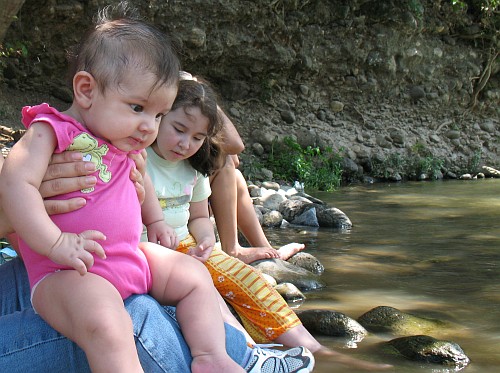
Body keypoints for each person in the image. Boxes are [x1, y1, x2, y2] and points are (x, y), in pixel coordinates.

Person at [0, 7, 242, 373]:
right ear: (86, 90)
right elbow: (16, 182)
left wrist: (156, 219)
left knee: (193, 276)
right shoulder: (51, 130)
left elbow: (138, 178)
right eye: (138, 108)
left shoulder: (122, 138)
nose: (149, 127)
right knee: (109, 323)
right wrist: (54, 242)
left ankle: (213, 357)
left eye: (158, 116)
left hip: (127, 256)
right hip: (68, 272)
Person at [144, 74, 392, 371]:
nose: (185, 144)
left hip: (188, 243)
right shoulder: (136, 157)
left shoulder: (195, 167)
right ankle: (247, 354)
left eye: (197, 137)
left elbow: (198, 217)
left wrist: (208, 239)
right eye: (179, 130)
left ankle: (313, 348)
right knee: (208, 294)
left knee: (249, 281)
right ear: (159, 116)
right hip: (151, 247)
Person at [0, 153, 321, 373]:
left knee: (155, 278)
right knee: (129, 313)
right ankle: (243, 361)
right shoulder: (48, 131)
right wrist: (21, 207)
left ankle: (235, 357)